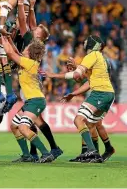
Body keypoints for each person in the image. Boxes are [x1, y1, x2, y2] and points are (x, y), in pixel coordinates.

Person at [10, 0, 63, 161]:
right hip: (33, 82)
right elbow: (32, 24)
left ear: (40, 35)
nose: (35, 28)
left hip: (30, 85)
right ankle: (52, 148)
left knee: (30, 121)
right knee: (36, 120)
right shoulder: (37, 42)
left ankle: (36, 153)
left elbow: (27, 24)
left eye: (38, 29)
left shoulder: (31, 42)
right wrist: (31, 7)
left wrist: (21, 4)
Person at [47, 35, 115, 163]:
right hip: (107, 93)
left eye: (87, 40)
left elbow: (77, 75)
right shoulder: (100, 59)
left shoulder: (92, 56)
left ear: (93, 44)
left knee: (79, 119)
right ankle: (96, 152)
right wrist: (74, 92)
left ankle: (91, 151)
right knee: (91, 124)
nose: (84, 41)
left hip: (100, 93)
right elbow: (87, 80)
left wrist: (54, 75)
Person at [1, 36, 54, 163]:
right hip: (30, 101)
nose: (23, 49)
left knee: (23, 128)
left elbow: (10, 52)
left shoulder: (29, 63)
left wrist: (2, 35)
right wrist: (8, 38)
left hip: (36, 100)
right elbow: (14, 51)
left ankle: (46, 153)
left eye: (26, 48)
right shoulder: (26, 61)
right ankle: (26, 155)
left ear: (29, 53)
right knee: (14, 126)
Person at [61, 59, 115, 162]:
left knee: (92, 123)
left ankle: (96, 152)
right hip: (98, 94)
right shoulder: (99, 63)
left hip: (102, 94)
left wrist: (76, 67)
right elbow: (86, 77)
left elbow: (87, 78)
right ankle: (91, 152)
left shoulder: (100, 64)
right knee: (90, 123)